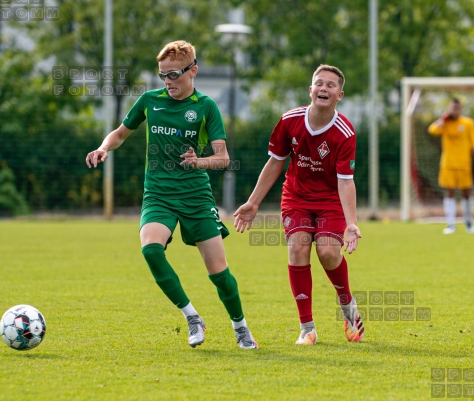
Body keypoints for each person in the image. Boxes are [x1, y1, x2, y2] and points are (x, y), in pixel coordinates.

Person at [85, 40, 258, 349]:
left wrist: (198, 161)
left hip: (195, 196)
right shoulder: (150, 100)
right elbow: (120, 133)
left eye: (174, 74)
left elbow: (223, 158)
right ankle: (192, 317)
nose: (168, 81)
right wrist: (102, 148)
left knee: (218, 273)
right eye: (162, 75)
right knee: (151, 250)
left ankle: (240, 327)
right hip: (158, 194)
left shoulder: (206, 106)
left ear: (193, 71)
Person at [233, 64, 364, 345]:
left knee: (328, 252)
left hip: (330, 200)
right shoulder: (289, 121)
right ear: (310, 90)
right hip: (296, 197)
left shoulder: (345, 132)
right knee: (298, 247)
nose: (324, 88)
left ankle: (347, 305)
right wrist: (253, 203)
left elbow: (345, 181)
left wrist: (351, 222)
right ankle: (307, 328)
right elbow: (275, 162)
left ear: (340, 94)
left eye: (331, 85)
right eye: (319, 83)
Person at [428, 98, 474, 234]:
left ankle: (468, 221)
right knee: (449, 192)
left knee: (466, 193)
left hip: (464, 164)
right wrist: (443, 119)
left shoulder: (468, 123)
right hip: (448, 164)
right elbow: (432, 130)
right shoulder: (445, 123)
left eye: (458, 108)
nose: (455, 111)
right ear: (449, 109)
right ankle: (450, 224)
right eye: (453, 108)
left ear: (461, 109)